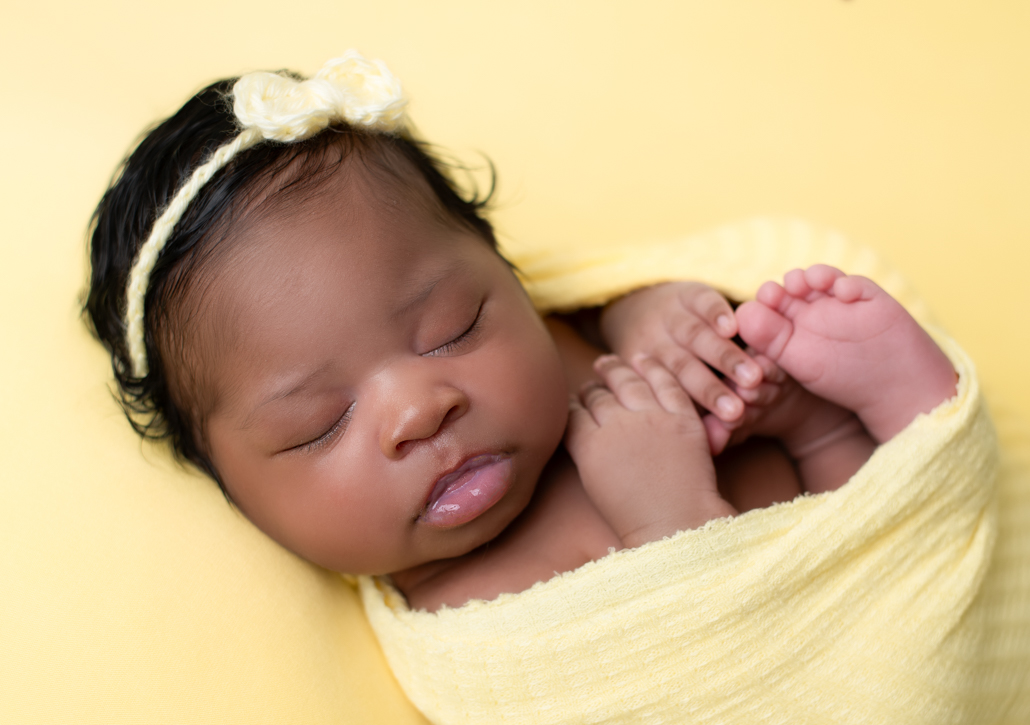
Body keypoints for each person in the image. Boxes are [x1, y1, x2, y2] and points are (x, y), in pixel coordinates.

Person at [85, 53, 957, 614]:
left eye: (451, 327)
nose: (420, 409)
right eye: (317, 423)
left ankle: (877, 428)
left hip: (862, 519)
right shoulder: (474, 617)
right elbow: (711, 693)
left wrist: (646, 312)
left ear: (506, 274)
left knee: (860, 461)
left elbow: (580, 298)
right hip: (831, 638)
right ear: (231, 491)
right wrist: (671, 524)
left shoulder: (560, 345)